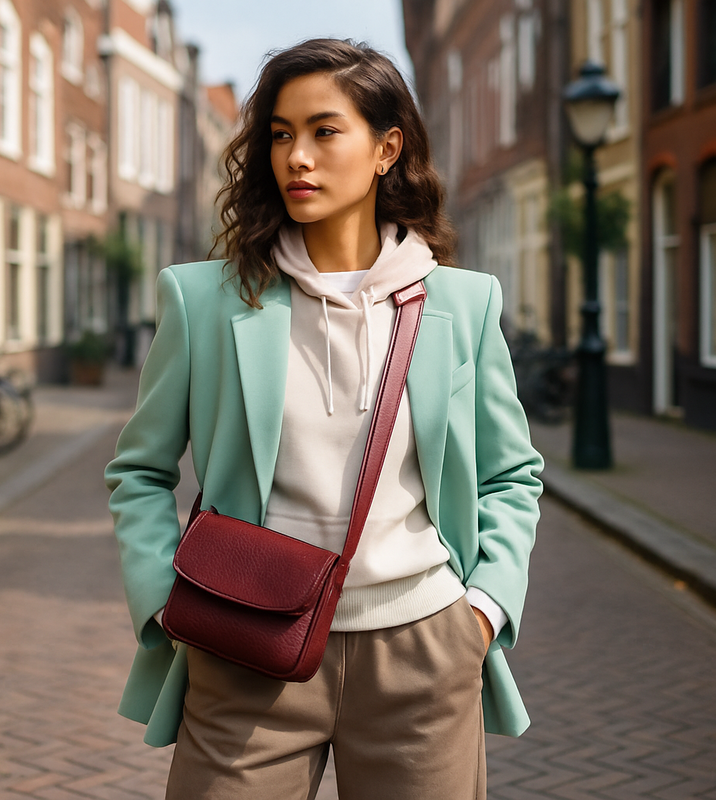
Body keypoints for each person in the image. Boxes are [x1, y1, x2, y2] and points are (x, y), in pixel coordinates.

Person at [105, 38, 543, 800]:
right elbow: (139, 472)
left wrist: (481, 613)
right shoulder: (201, 300)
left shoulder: (462, 305)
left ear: (386, 148)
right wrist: (163, 604)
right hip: (245, 651)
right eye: (280, 134)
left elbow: (512, 474)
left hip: (424, 651)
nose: (296, 156)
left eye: (324, 130)